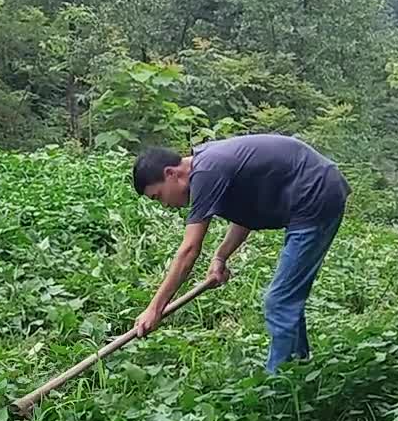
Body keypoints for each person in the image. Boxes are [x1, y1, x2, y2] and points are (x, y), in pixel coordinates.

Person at [130, 134, 350, 372]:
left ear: (171, 173)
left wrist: (155, 308)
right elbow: (245, 215)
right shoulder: (209, 166)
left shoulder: (206, 172)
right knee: (286, 300)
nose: (165, 204)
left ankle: (280, 386)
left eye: (159, 196)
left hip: (316, 195)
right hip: (316, 192)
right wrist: (220, 257)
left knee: (279, 301)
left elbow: (190, 249)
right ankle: (297, 369)